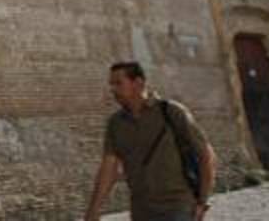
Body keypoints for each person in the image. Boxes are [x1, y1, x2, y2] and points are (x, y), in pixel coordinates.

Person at [84, 61, 218, 221]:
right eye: (111, 84)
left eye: (118, 83)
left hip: (178, 207)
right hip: (142, 211)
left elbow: (206, 155)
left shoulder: (171, 112)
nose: (113, 90)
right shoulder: (116, 124)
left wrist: (202, 202)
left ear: (138, 83)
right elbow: (108, 168)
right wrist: (94, 209)